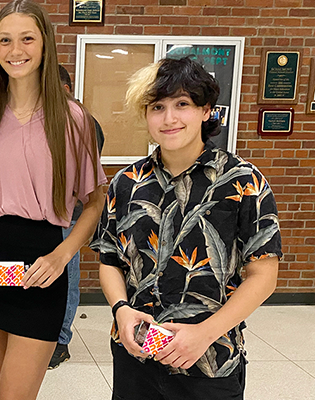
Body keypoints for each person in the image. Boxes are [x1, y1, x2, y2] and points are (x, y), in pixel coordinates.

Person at [91, 57, 281, 399]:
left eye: (182, 104)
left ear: (206, 110)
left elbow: (264, 274)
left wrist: (205, 334)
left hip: (209, 360)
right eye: (157, 107)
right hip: (136, 358)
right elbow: (109, 262)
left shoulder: (242, 182)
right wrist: (120, 310)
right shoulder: (127, 183)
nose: (169, 118)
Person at [0, 1, 107, 398]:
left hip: (42, 267)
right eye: (5, 40)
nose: (15, 49)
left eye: (27, 38)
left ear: (45, 45)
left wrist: (63, 256)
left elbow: (94, 201)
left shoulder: (73, 121)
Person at [48, 64, 106, 369]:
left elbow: (84, 176)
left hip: (70, 216)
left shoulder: (82, 121)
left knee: (66, 278)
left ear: (66, 89)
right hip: (44, 217)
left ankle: (61, 341)